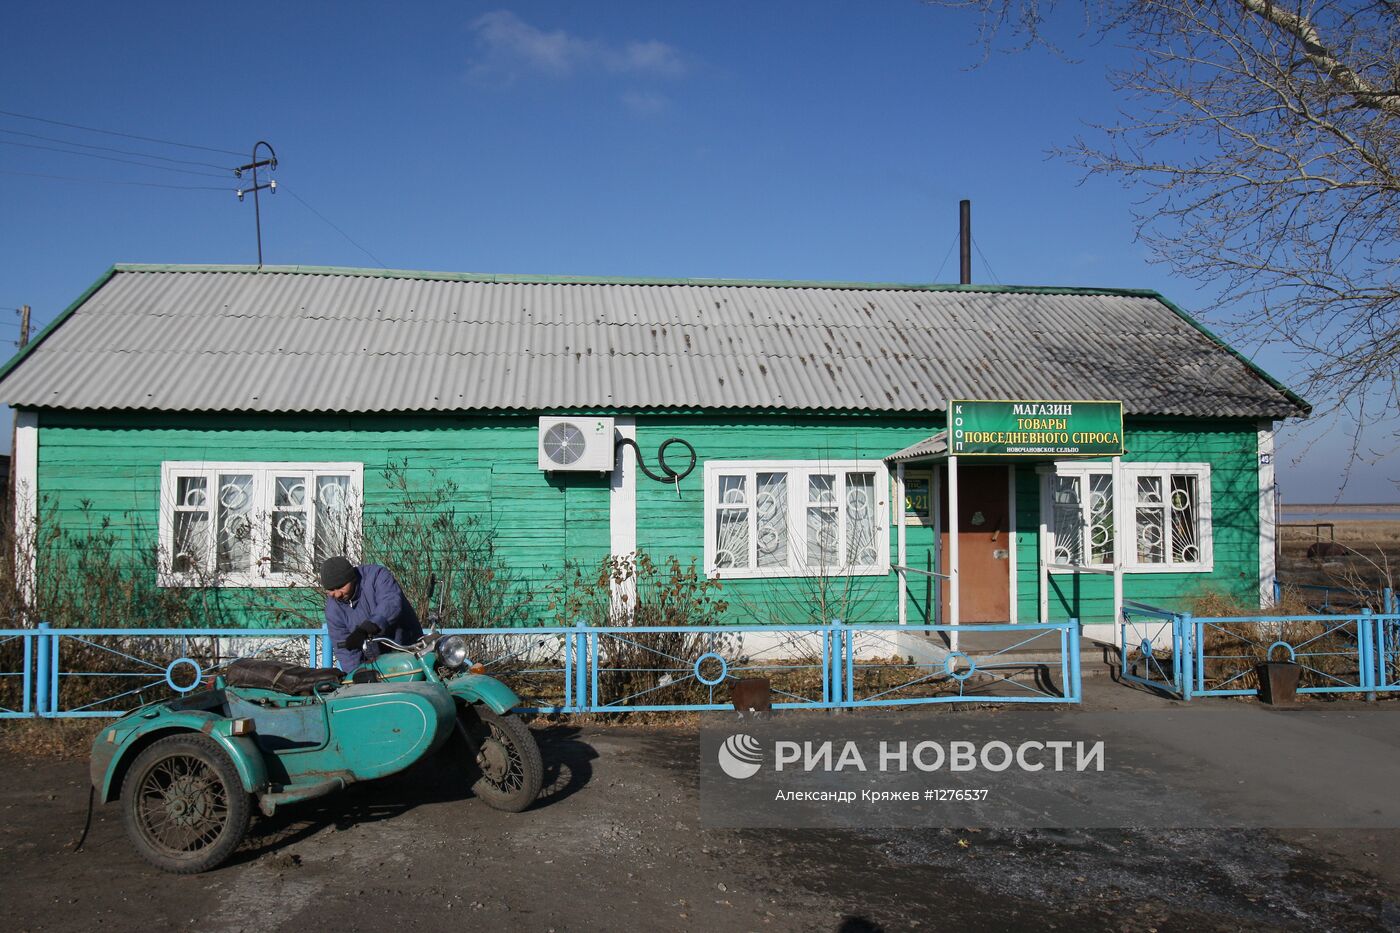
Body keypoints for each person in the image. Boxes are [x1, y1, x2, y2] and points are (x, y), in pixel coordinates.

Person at [320, 555, 423, 673]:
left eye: (341, 587)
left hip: (408, 647)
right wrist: (356, 674)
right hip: (376, 661)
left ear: (352, 578)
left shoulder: (377, 576)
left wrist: (369, 627)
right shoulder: (333, 610)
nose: (337, 594)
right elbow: (346, 651)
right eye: (331, 590)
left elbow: (391, 603)